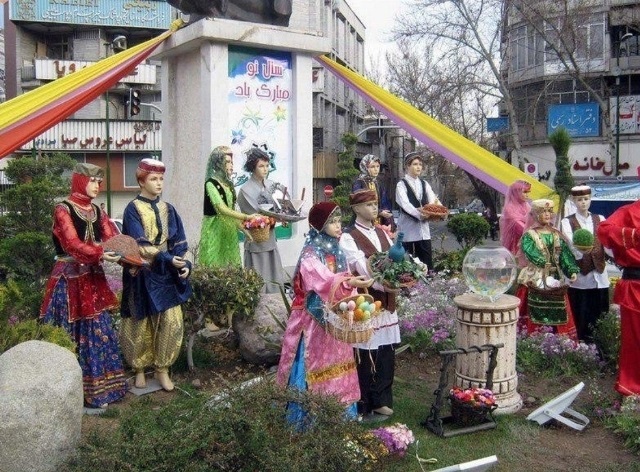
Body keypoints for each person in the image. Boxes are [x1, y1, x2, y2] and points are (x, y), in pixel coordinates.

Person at [276, 201, 373, 428]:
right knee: (311, 365)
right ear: (319, 225)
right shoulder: (311, 252)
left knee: (338, 366)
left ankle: (339, 418)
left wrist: (352, 288)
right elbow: (318, 280)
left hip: (335, 319)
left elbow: (343, 282)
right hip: (311, 321)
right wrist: (348, 281)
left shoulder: (337, 250)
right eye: (332, 222)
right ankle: (305, 422)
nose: (338, 226)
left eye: (339, 221)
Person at [40, 163, 127, 408]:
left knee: (98, 328)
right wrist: (101, 252)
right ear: (79, 181)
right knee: (69, 330)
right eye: (92, 181)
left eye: (99, 182)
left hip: (92, 278)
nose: (97, 186)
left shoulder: (98, 211)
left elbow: (113, 238)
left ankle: (100, 390)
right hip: (68, 281)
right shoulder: (63, 209)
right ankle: (64, 393)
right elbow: (72, 244)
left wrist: (130, 255)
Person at [119, 158, 192, 392]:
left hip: (165, 273)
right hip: (140, 271)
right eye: (153, 179)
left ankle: (162, 369)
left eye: (161, 179)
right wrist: (167, 258)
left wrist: (184, 262)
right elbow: (139, 245)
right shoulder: (132, 209)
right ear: (141, 181)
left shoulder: (169, 209)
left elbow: (179, 241)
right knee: (139, 321)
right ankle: (139, 368)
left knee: (171, 321)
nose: (159, 183)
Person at [339, 189, 401, 419]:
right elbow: (362, 266)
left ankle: (382, 399)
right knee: (365, 355)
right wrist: (387, 284)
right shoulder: (348, 236)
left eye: (375, 204)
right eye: (368, 205)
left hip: (387, 302)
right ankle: (364, 400)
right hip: (367, 301)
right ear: (356, 209)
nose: (374, 208)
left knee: (386, 353)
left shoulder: (382, 232)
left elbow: (397, 257)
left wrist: (413, 267)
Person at [516, 199, 579, 340]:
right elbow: (530, 251)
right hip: (535, 277)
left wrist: (571, 270)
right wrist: (544, 262)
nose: (547, 214)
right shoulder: (529, 235)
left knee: (558, 307)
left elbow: (565, 254)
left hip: (555, 278)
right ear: (536, 214)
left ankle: (559, 341)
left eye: (549, 211)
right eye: (543, 211)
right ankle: (532, 339)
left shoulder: (556, 234)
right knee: (533, 308)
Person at [597, 199, 640, 396]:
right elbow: (604, 231)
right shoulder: (629, 211)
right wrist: (633, 236)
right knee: (634, 339)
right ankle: (632, 387)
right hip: (635, 286)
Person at [560, 185, 610, 343]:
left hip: (600, 276)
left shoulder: (600, 218)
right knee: (581, 314)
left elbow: (607, 243)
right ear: (574, 201)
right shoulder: (567, 222)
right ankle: (581, 347)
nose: (583, 202)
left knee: (601, 315)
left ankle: (601, 347)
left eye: (586, 199)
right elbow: (570, 243)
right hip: (580, 278)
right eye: (580, 200)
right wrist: (582, 252)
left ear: (590, 200)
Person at [199, 145, 258, 267]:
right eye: (227, 162)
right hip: (214, 230)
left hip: (228, 231)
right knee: (214, 265)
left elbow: (230, 211)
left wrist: (243, 229)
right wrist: (247, 217)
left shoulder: (229, 185)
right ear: (218, 164)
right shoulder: (211, 184)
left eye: (231, 162)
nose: (231, 165)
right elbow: (222, 209)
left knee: (230, 266)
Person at [237, 147, 286, 293]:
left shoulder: (271, 184)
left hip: (270, 238)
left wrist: (284, 214)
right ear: (252, 167)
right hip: (256, 241)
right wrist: (276, 217)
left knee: (275, 280)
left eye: (267, 165)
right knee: (258, 282)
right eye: (261, 166)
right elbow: (257, 216)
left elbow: (277, 207)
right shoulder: (245, 190)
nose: (265, 169)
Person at [394, 152, 441, 269]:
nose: (418, 167)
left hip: (423, 231)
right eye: (415, 164)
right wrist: (420, 214)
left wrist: (439, 210)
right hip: (408, 229)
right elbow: (405, 204)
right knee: (407, 262)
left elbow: (433, 200)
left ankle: (428, 282)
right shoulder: (401, 185)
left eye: (420, 164)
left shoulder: (424, 184)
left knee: (426, 264)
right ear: (407, 166)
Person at [352, 154, 394, 227]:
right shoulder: (359, 183)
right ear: (365, 167)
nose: (376, 169)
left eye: (378, 166)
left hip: (378, 221)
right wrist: (379, 211)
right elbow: (359, 204)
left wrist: (388, 217)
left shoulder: (378, 183)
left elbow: (384, 202)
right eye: (372, 167)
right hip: (363, 220)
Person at [499, 180, 532, 259]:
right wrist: (532, 232)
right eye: (524, 192)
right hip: (514, 243)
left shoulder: (526, 205)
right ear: (516, 193)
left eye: (528, 192)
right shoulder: (509, 208)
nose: (527, 195)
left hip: (527, 241)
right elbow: (517, 224)